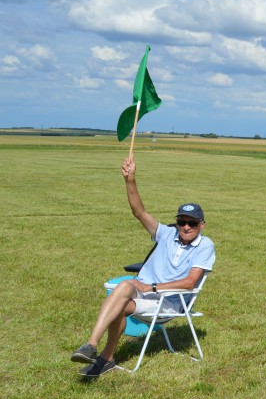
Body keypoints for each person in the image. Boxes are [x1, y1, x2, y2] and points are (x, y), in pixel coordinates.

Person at [70, 158, 216, 377]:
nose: (186, 227)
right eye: (182, 222)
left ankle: (106, 358)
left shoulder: (205, 245)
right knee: (125, 287)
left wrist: (151, 287)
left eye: (192, 223)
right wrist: (130, 180)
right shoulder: (166, 233)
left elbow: (189, 283)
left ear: (201, 224)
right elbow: (139, 212)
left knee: (120, 302)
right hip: (146, 292)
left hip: (169, 301)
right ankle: (91, 346)